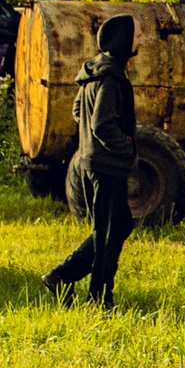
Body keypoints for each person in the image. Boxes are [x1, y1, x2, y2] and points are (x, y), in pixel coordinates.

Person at [40, 15, 137, 309]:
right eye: (138, 35)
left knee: (116, 227)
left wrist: (94, 146)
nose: (141, 41)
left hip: (93, 162)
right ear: (123, 40)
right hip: (106, 166)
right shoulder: (110, 76)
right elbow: (101, 123)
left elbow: (78, 110)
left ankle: (67, 279)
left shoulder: (94, 73)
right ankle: (93, 296)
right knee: (108, 234)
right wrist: (123, 146)